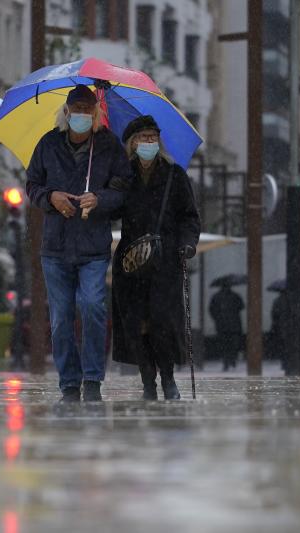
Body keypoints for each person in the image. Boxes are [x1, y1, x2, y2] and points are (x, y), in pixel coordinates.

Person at [26, 84, 133, 402]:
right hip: (55, 247)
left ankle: (92, 378)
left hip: (93, 247)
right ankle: (68, 381)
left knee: (92, 307)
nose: (82, 116)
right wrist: (51, 198)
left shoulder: (110, 147)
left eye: (89, 110)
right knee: (60, 317)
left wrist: (98, 199)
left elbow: (123, 189)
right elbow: (32, 185)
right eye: (77, 110)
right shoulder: (47, 144)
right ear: (67, 112)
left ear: (96, 113)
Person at [111, 115, 201, 400]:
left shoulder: (174, 175)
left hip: (165, 264)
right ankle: (147, 380)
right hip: (131, 264)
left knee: (163, 323)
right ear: (132, 143)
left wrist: (187, 244)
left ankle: (168, 378)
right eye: (142, 138)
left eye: (152, 137)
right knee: (137, 326)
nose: (148, 142)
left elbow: (190, 217)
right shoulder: (123, 177)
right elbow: (111, 211)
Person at [209, 284, 245, 371]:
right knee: (233, 344)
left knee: (224, 344)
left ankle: (226, 361)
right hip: (234, 326)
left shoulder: (216, 297)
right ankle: (232, 359)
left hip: (222, 326)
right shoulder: (235, 296)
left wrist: (217, 318)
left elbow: (211, 310)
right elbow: (242, 306)